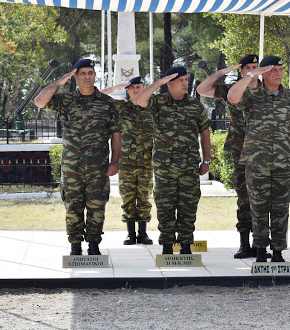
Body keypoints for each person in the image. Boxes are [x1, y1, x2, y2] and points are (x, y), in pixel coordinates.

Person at [34, 59, 121, 256]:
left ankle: (94, 245)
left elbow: (116, 133)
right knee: (73, 206)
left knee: (96, 206)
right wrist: (58, 82)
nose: (87, 76)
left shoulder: (107, 103)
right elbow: (39, 101)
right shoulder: (65, 101)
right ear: (76, 76)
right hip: (72, 167)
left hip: (98, 167)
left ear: (95, 75)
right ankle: (75, 245)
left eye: (90, 73)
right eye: (83, 73)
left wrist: (115, 162)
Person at [227, 56, 290, 263]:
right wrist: (253, 74)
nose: (279, 73)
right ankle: (260, 252)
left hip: (284, 162)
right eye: (274, 70)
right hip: (257, 163)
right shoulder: (252, 96)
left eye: (281, 69)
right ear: (264, 73)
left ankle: (278, 252)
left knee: (281, 209)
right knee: (258, 209)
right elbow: (233, 97)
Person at [133, 67, 211, 255]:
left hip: (189, 166)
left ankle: (185, 247)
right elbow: (139, 99)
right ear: (169, 83)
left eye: (186, 79)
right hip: (164, 167)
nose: (185, 83)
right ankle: (167, 248)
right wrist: (159, 82)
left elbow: (205, 133)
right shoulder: (158, 102)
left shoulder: (195, 105)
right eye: (180, 80)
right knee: (165, 206)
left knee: (188, 206)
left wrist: (206, 160)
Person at [196, 54, 268, 259]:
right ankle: (245, 244)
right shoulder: (232, 90)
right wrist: (222, 72)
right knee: (244, 197)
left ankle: (263, 244)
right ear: (241, 70)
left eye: (256, 67)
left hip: (264, 150)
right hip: (240, 149)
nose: (253, 70)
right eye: (248, 68)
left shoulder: (268, 90)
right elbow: (202, 90)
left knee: (265, 198)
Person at [101, 77, 154, 245]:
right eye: (132, 88)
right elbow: (99, 96)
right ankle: (131, 234)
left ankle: (143, 233)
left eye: (139, 87)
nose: (136, 90)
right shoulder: (121, 108)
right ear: (127, 91)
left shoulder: (152, 107)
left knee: (144, 197)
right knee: (128, 197)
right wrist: (117, 86)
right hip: (126, 162)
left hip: (147, 161)